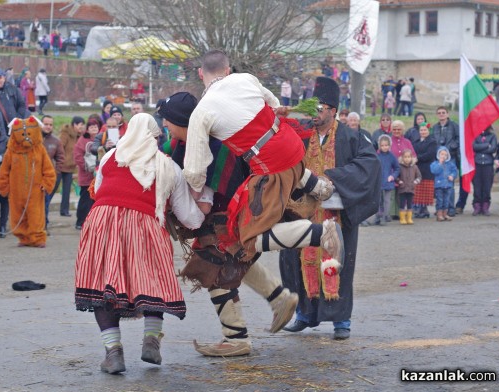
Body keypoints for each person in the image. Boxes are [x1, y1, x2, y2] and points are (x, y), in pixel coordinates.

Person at [158, 92, 299, 357]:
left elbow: (221, 190)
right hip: (220, 221)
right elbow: (161, 159)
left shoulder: (214, 147)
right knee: (237, 265)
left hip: (231, 219)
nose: (164, 124)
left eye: (168, 120)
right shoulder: (179, 144)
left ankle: (236, 339)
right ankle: (280, 299)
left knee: (215, 275)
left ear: (182, 121)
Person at [74, 113, 207, 373]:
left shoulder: (110, 158)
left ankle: (113, 353)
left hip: (102, 223)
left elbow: (99, 191)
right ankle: (151, 342)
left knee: (104, 285)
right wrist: (208, 207)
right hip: (145, 226)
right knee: (152, 279)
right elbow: (190, 218)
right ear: (156, 136)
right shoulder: (168, 166)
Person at [184, 50, 344, 266]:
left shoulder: (201, 112)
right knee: (281, 162)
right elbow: (274, 103)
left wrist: (195, 190)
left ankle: (322, 233)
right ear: (228, 70)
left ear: (201, 73)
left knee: (248, 237)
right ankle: (318, 187)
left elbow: (195, 168)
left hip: (272, 164)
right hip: (293, 144)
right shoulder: (244, 79)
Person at [281, 76, 381, 340]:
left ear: (333, 111)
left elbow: (369, 166)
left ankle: (341, 320)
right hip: (304, 212)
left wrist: (331, 177)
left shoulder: (352, 137)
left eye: (320, 108)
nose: (315, 113)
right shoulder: (301, 136)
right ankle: (304, 314)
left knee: (338, 263)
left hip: (336, 213)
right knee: (300, 260)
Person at [0, 116, 56, 247]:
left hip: (35, 190)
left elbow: (48, 169)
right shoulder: (11, 151)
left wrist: (47, 184)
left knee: (36, 215)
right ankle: (23, 238)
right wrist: (4, 186)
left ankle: (38, 238)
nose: (26, 137)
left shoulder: (40, 149)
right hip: (16, 190)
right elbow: (4, 170)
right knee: (18, 215)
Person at [431, 106, 460, 216]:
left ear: (447, 114)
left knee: (449, 185)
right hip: (439, 159)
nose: (441, 114)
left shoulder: (454, 126)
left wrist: (450, 148)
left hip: (450, 158)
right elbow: (433, 141)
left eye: (443, 112)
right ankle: (440, 209)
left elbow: (458, 139)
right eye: (439, 113)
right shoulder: (435, 127)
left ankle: (450, 209)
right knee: (439, 185)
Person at [41, 115, 65, 231]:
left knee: (45, 202)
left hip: (50, 178)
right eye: (46, 124)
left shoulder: (56, 141)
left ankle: (43, 226)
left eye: (50, 124)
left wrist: (55, 173)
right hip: (35, 177)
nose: (48, 127)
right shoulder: (35, 139)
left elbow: (60, 159)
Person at [73, 118, 98, 230]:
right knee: (84, 200)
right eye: (91, 127)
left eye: (95, 127)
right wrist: (86, 167)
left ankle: (91, 222)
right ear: (87, 129)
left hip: (97, 177)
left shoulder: (101, 139)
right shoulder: (82, 140)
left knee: (94, 201)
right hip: (86, 176)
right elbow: (78, 156)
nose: (94, 129)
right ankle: (80, 221)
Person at [56, 116, 84, 217]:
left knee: (67, 190)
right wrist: (61, 160)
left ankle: (64, 210)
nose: (82, 127)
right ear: (74, 124)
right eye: (80, 124)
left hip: (70, 167)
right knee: (54, 187)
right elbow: (59, 147)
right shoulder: (65, 133)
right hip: (60, 165)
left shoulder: (79, 136)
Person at [412, 122, 438, 219]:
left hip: (427, 168)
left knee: (425, 189)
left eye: (425, 130)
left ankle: (424, 209)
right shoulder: (416, 142)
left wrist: (418, 158)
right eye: (421, 130)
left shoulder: (432, 142)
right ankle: (418, 208)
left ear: (428, 131)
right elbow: (413, 152)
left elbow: (430, 154)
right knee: (418, 189)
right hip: (418, 168)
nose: (423, 132)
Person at [373, 135, 400, 226]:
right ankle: (378, 216)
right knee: (378, 200)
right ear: (379, 146)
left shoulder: (392, 156)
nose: (385, 147)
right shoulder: (376, 155)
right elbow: (373, 167)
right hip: (378, 182)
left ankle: (385, 216)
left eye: (386, 145)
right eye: (383, 145)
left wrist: (393, 176)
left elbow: (397, 168)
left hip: (388, 182)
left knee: (387, 201)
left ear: (389, 145)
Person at [471, 126, 497, 216]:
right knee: (477, 186)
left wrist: (480, 148)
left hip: (488, 164)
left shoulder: (492, 136)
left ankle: (485, 206)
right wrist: (486, 145)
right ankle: (477, 206)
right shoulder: (475, 135)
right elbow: (474, 147)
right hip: (477, 163)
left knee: (487, 186)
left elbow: (493, 148)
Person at [430, 146, 457, 222]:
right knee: (440, 200)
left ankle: (445, 213)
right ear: (438, 155)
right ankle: (439, 214)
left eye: (445, 155)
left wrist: (452, 176)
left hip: (448, 185)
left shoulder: (450, 164)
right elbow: (434, 171)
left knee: (447, 200)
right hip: (439, 186)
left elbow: (455, 171)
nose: (443, 156)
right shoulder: (434, 164)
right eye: (442, 154)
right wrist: (440, 164)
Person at [397, 148, 421, 225]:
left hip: (411, 188)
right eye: (405, 157)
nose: (407, 159)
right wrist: (398, 181)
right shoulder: (400, 167)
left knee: (410, 204)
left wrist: (416, 181)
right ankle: (402, 218)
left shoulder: (414, 167)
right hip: (402, 189)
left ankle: (409, 218)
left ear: (411, 157)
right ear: (402, 158)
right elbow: (396, 176)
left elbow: (419, 176)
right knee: (402, 204)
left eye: (408, 157)